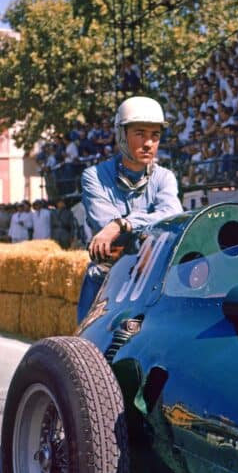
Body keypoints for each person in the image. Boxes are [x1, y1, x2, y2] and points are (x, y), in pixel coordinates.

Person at [78, 96, 182, 319]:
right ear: (121, 136)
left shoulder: (165, 177)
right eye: (140, 134)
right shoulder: (94, 176)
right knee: (87, 350)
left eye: (155, 135)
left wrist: (123, 224)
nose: (148, 143)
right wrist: (146, 234)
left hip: (152, 283)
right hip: (106, 282)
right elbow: (105, 229)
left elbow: (172, 215)